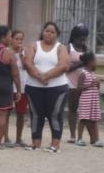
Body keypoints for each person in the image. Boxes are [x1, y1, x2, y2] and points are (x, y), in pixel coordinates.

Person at [23, 21, 70, 153]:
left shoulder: (61, 48)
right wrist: (39, 77)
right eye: (47, 31)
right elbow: (28, 63)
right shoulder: (33, 45)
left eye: (52, 32)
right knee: (36, 115)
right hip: (34, 87)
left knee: (55, 115)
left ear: (57, 35)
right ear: (43, 32)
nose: (49, 33)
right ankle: (35, 142)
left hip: (57, 87)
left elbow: (63, 66)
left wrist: (46, 76)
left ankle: (55, 144)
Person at [65, 24, 90, 143]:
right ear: (74, 38)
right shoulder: (69, 48)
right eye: (80, 39)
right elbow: (66, 67)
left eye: (84, 38)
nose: (82, 41)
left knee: (85, 109)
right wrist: (81, 63)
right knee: (73, 108)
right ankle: (72, 134)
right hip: (71, 81)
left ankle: (82, 135)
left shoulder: (86, 49)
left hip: (84, 82)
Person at [75, 52, 104, 147]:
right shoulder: (83, 73)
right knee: (83, 119)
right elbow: (79, 87)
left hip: (94, 101)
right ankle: (79, 138)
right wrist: (90, 85)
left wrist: (98, 84)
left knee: (94, 120)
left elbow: (97, 88)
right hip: (85, 101)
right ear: (90, 62)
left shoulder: (93, 73)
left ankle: (96, 139)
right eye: (95, 60)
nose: (96, 62)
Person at [10, 29, 30, 148]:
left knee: (21, 113)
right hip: (10, 87)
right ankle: (5, 137)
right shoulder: (7, 52)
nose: (19, 41)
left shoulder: (25, 52)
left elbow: (27, 67)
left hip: (23, 87)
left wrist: (22, 56)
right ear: (11, 39)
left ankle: (18, 138)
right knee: (6, 112)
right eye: (16, 39)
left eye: (21, 39)